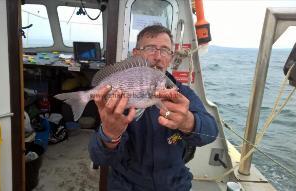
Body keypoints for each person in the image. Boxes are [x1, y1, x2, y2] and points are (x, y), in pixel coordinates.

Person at [88, 24, 218, 191]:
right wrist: (109, 136)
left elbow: (211, 132)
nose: (158, 56)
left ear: (170, 58)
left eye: (165, 50)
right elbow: (99, 157)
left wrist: (189, 122)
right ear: (136, 54)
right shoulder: (118, 99)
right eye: (150, 48)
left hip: (175, 185)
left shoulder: (182, 94)